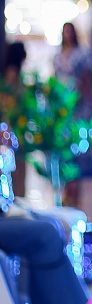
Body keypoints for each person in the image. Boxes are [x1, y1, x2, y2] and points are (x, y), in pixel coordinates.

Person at [53, 22, 92, 207]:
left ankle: (76, 192)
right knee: (63, 149)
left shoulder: (83, 54)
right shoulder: (57, 56)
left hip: (79, 108)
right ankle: (66, 192)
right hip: (63, 109)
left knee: (79, 148)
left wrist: (81, 98)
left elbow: (88, 80)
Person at [1, 42, 28, 197]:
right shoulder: (12, 73)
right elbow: (8, 103)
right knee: (15, 169)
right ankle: (16, 200)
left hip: (17, 126)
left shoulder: (14, 72)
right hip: (13, 128)